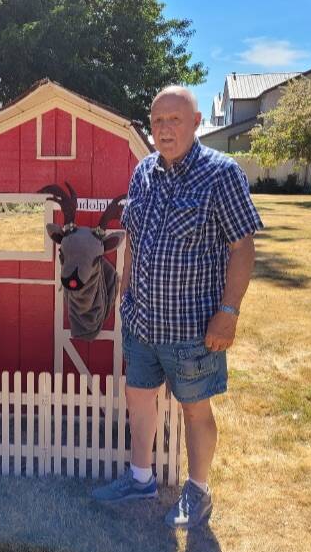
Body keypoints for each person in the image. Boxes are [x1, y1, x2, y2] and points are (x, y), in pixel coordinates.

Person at [92, 85, 263, 528]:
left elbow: (243, 246)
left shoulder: (222, 174)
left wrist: (229, 312)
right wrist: (123, 292)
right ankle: (141, 477)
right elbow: (133, 237)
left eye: (174, 120)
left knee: (195, 409)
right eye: (157, 121)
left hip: (192, 326)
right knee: (139, 399)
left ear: (196, 122)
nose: (164, 129)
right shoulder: (144, 171)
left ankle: (199, 491)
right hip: (142, 321)